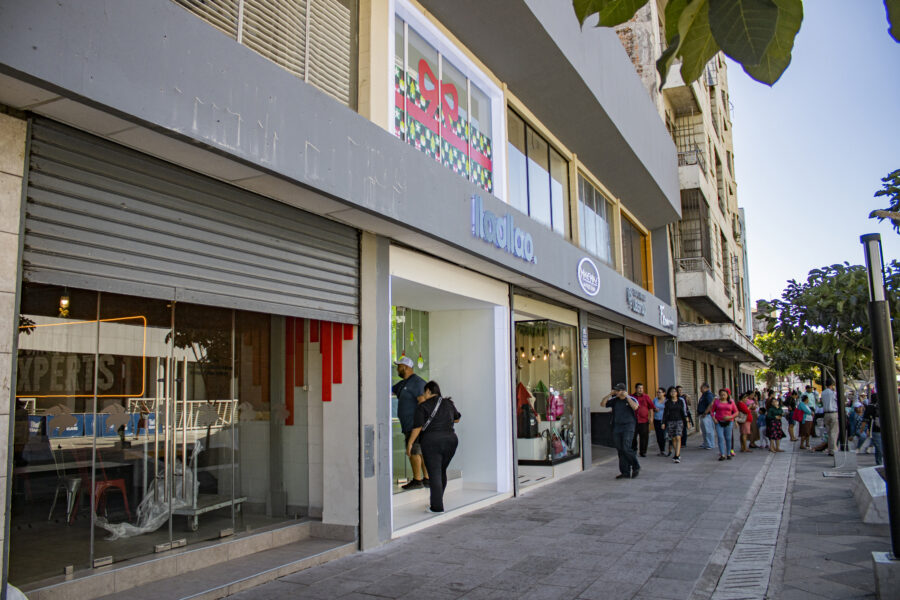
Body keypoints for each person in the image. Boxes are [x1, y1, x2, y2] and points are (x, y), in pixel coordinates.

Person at [406, 381, 461, 513]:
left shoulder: (423, 406)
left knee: (434, 473)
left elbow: (417, 427)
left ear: (429, 391)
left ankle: (437, 507)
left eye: (424, 392)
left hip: (432, 441)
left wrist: (410, 443)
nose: (424, 395)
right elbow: (457, 419)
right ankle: (438, 500)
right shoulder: (448, 403)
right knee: (441, 471)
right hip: (451, 440)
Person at [392, 356, 428, 489]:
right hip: (408, 425)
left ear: (406, 367)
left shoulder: (417, 382)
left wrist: (420, 423)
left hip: (415, 425)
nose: (397, 369)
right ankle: (427, 479)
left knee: (414, 451)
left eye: (399, 367)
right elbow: (389, 389)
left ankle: (417, 480)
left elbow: (422, 403)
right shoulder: (403, 384)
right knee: (419, 452)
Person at [601, 383, 640, 479]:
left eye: (618, 390)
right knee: (620, 449)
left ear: (623, 391)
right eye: (616, 390)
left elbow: (635, 407)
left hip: (628, 426)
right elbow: (603, 404)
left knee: (626, 447)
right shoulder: (615, 400)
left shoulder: (631, 398)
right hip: (617, 426)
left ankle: (636, 466)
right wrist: (609, 395)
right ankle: (625, 471)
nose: (616, 392)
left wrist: (627, 397)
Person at [711, 389, 738, 461]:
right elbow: (712, 411)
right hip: (719, 422)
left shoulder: (731, 402)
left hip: (729, 422)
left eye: (724, 395)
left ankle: (728, 453)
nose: (723, 396)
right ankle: (722, 454)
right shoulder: (716, 402)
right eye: (721, 395)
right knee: (720, 437)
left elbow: (736, 412)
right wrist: (714, 419)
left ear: (727, 395)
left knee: (728, 438)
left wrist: (730, 417)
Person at [661, 386, 686, 463]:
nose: (673, 393)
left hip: (679, 421)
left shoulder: (680, 401)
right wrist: (663, 422)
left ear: (677, 393)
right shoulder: (667, 402)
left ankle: (677, 456)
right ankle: (677, 453)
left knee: (678, 437)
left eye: (675, 391)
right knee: (673, 438)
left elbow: (682, 412)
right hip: (670, 421)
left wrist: (686, 421)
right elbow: (665, 413)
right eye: (671, 391)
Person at [631, 383, 655, 458]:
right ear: (636, 389)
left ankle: (643, 451)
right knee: (633, 436)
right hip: (633, 420)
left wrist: (651, 417)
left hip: (644, 420)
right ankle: (633, 449)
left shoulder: (646, 397)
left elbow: (651, 407)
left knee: (644, 437)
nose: (641, 390)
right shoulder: (631, 397)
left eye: (642, 388)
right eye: (639, 388)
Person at [864, 394, 883, 465]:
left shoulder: (869, 407)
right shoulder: (873, 407)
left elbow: (865, 420)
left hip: (875, 430)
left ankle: (879, 463)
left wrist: (866, 429)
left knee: (879, 448)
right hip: (877, 430)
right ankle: (879, 463)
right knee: (879, 448)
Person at [821, 380, 839, 457]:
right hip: (833, 412)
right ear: (832, 385)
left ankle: (830, 448)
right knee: (834, 432)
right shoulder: (833, 393)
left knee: (829, 433)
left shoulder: (823, 393)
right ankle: (833, 449)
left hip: (826, 413)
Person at [697, 383, 716, 450]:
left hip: (707, 415)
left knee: (708, 430)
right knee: (704, 430)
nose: (700, 390)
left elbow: (711, 404)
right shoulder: (704, 395)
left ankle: (710, 444)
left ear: (706, 388)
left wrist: (705, 412)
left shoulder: (708, 395)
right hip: (703, 414)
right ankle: (706, 443)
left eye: (701, 388)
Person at [653, 387, 667, 456]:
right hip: (656, 419)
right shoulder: (655, 400)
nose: (658, 393)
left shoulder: (666, 400)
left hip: (664, 420)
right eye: (657, 392)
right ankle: (661, 450)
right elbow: (651, 407)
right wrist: (654, 409)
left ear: (664, 393)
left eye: (660, 392)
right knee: (659, 436)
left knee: (663, 435)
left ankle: (665, 449)